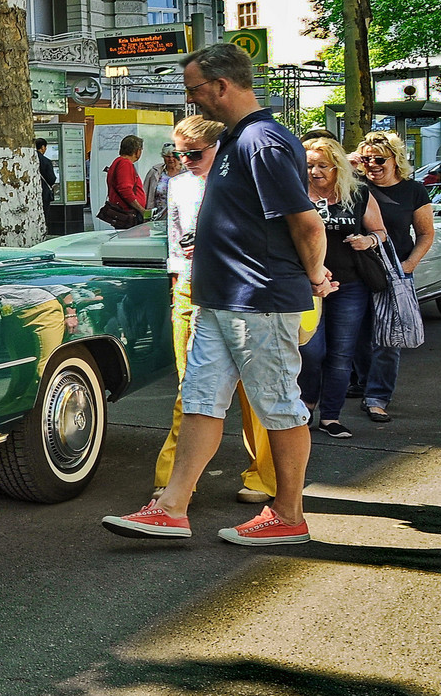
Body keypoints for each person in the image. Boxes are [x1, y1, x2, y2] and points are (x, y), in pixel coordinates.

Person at [104, 42, 334, 546]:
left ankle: (289, 514)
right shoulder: (238, 139)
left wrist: (315, 277)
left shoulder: (263, 142)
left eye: (195, 90)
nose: (192, 100)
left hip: (258, 299)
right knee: (201, 401)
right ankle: (171, 507)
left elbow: (308, 225)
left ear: (222, 86)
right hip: (221, 298)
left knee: (278, 407)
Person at [148, 116, 278, 506]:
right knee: (190, 389)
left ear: (219, 148)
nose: (184, 159)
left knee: (254, 391)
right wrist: (178, 287)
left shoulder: (246, 182)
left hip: (241, 291)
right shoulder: (179, 184)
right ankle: (175, 479)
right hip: (191, 288)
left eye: (193, 152)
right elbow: (174, 239)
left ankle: (265, 476)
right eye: (178, 152)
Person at [296, 137, 385, 439]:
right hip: (307, 285)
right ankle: (307, 402)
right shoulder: (296, 193)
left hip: (349, 285)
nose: (315, 171)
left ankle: (330, 416)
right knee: (310, 350)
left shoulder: (358, 193)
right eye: (309, 165)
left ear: (337, 167)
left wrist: (368, 240)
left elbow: (381, 232)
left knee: (341, 353)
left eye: (323, 165)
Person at [350, 131, 435, 423]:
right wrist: (350, 162)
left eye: (379, 159)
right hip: (358, 268)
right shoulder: (355, 187)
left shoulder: (413, 190)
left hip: (395, 271)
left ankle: (377, 396)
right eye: (366, 158)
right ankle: (363, 382)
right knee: (358, 334)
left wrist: (410, 264)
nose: (372, 164)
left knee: (389, 338)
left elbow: (425, 233)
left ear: (396, 160)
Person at [102, 134, 147, 226]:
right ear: (137, 151)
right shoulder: (125, 164)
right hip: (128, 213)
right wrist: (141, 209)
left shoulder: (117, 161)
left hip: (123, 213)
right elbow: (125, 189)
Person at [143, 147, 181, 214]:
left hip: (180, 215)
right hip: (158, 216)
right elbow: (145, 193)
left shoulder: (187, 173)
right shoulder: (155, 172)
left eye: (174, 156)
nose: (171, 159)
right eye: (168, 157)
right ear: (163, 157)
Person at [36, 137, 58, 221]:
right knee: (44, 215)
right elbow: (51, 179)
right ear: (42, 147)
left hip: (33, 192)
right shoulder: (46, 161)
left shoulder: (29, 159)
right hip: (44, 192)